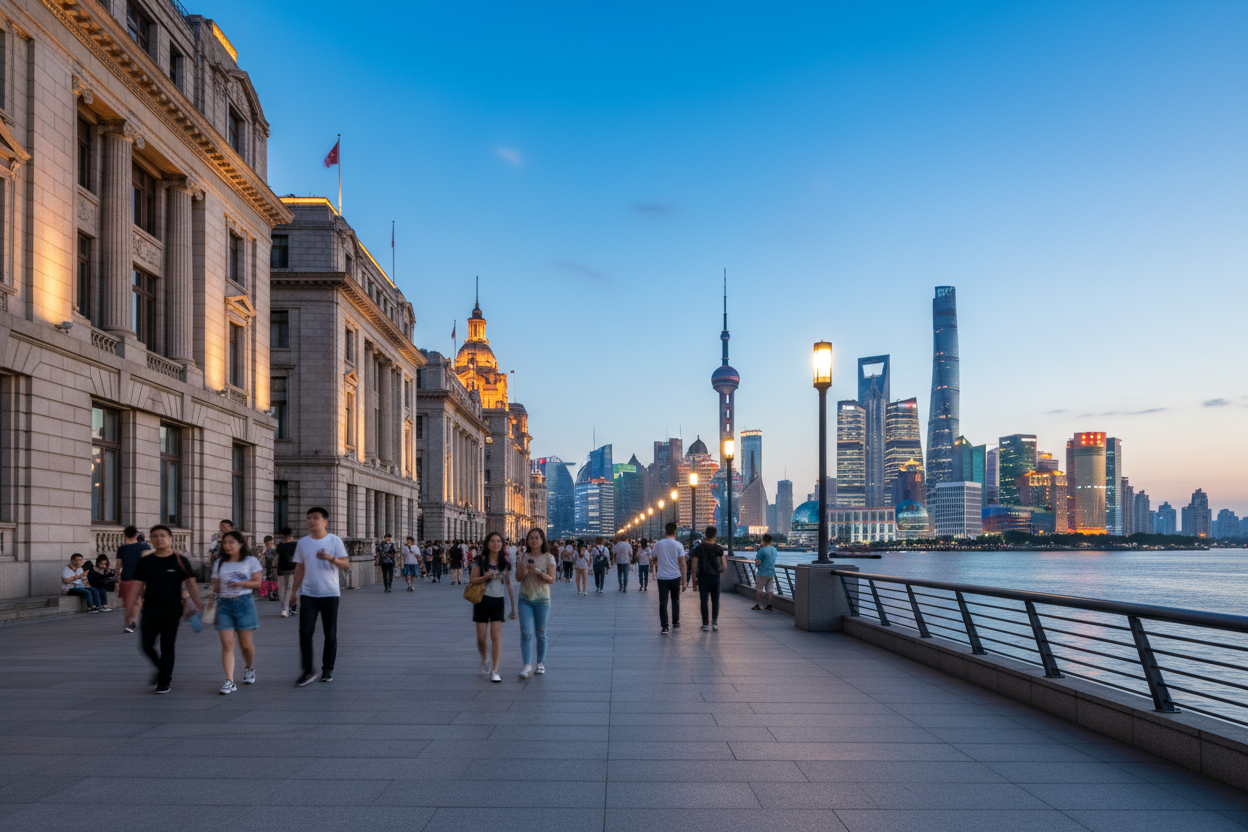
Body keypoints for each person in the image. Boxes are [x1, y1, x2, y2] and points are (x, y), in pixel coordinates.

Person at [133, 525, 202, 693]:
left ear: (170, 539)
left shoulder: (180, 560)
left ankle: (164, 681)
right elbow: (137, 585)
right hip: (150, 609)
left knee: (167, 646)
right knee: (146, 645)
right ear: (151, 539)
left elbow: (191, 583)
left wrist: (198, 604)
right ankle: (160, 668)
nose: (159, 539)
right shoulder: (145, 561)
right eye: (155, 536)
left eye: (163, 535)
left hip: (172, 610)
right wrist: (130, 608)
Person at [291, 507, 349, 686]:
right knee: (305, 632)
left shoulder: (335, 540)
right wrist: (293, 591)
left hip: (330, 594)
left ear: (325, 521)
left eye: (315, 518)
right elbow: (299, 568)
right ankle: (308, 670)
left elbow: (345, 564)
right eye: (309, 518)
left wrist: (331, 559)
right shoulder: (302, 543)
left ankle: (327, 669)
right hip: (308, 594)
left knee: (330, 634)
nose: (311, 521)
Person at [211, 530, 263, 694]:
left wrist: (240, 583)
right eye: (224, 543)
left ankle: (250, 667)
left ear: (240, 544)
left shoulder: (251, 561)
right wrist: (216, 587)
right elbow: (216, 587)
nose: (227, 545)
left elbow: (257, 584)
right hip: (224, 604)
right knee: (227, 645)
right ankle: (229, 680)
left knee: (246, 646)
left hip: (244, 604)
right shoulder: (219, 563)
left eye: (231, 542)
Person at [469, 531, 515, 682]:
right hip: (481, 600)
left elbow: (508, 585)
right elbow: (473, 580)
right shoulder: (479, 560)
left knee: (495, 635)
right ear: (487, 544)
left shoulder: (504, 563)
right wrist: (487, 576)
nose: (496, 544)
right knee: (482, 638)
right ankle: (485, 657)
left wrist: (513, 608)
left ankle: (495, 670)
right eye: (493, 541)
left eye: (499, 541)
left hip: (498, 601)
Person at [515, 528, 557, 679]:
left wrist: (538, 571)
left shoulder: (549, 557)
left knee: (541, 632)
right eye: (530, 538)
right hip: (525, 598)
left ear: (542, 540)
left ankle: (540, 663)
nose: (533, 540)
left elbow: (551, 579)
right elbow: (518, 578)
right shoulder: (523, 556)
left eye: (536, 538)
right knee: (526, 633)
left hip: (542, 600)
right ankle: (527, 665)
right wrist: (524, 570)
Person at [653, 522, 687, 634]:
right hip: (675, 576)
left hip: (662, 577)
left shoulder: (658, 544)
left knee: (663, 602)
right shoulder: (678, 545)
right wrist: (684, 580)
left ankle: (665, 626)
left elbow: (654, 559)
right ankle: (676, 621)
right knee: (675, 600)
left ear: (665, 531)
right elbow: (682, 563)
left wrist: (656, 569)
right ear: (675, 531)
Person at [115, 526, 151, 632]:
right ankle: (132, 622)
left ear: (125, 535)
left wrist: (117, 577)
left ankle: (131, 622)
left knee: (130, 602)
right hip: (140, 578)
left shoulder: (121, 549)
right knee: (138, 601)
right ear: (136, 535)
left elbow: (118, 566)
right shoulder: (144, 546)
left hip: (126, 578)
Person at [691, 526, 726, 631]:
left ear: (705, 534)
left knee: (704, 601)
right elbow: (723, 566)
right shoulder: (719, 549)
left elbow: (694, 564)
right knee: (715, 600)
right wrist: (718, 571)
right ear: (715, 535)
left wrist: (694, 578)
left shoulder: (699, 548)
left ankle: (705, 624)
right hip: (715, 578)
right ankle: (714, 623)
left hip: (703, 577)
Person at [275, 528, 297, 617]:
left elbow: (277, 557)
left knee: (282, 590)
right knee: (289, 589)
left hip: (282, 569)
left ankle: (285, 608)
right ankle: (287, 607)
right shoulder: (296, 544)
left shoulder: (279, 545)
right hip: (292, 568)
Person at [753, 534, 779, 611]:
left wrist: (757, 567)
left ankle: (757, 604)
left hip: (762, 572)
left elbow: (758, 562)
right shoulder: (775, 550)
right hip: (771, 572)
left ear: (763, 541)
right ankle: (770, 604)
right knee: (770, 590)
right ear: (771, 541)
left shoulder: (762, 550)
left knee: (758, 589)